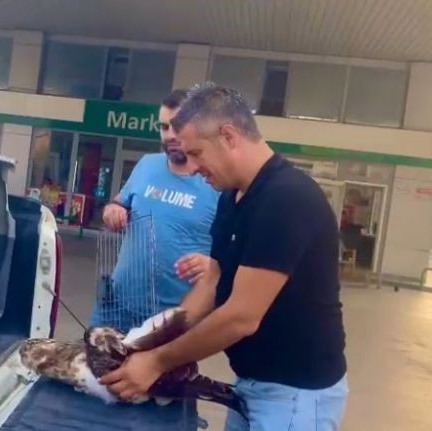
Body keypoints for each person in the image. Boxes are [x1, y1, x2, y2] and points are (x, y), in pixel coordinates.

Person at [99, 83, 348, 431]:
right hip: (251, 384)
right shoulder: (231, 197)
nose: (192, 168)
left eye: (197, 153)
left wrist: (156, 362)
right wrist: (150, 339)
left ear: (228, 136)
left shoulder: (286, 199)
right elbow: (211, 284)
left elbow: (241, 317)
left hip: (295, 394)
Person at [89, 89, 220, 333]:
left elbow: (240, 252)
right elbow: (118, 203)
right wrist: (113, 211)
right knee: (93, 357)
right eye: (163, 127)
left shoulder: (216, 182)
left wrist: (215, 266)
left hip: (171, 319)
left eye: (177, 127)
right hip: (114, 306)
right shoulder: (147, 164)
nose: (169, 135)